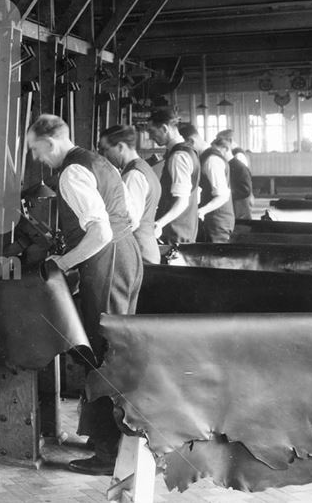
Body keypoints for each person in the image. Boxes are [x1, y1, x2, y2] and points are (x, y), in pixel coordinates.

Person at [27, 114, 143, 476]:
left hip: (107, 259)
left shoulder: (72, 173)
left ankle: (108, 452)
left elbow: (99, 233)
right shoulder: (99, 161)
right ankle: (106, 438)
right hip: (128, 256)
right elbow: (127, 219)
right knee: (115, 347)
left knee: (101, 350)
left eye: (35, 149)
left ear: (49, 142)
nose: (36, 158)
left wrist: (62, 263)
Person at [98, 124, 163, 265]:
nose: (103, 155)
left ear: (121, 147)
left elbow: (129, 222)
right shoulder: (144, 168)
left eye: (105, 149)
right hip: (145, 248)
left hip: (138, 253)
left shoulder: (133, 175)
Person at [147, 109, 200, 246]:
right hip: (184, 229)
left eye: (152, 132)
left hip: (174, 233)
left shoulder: (178, 156)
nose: (151, 137)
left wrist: (159, 224)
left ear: (164, 128)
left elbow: (182, 201)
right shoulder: (188, 150)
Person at [229, 146, 254, 220]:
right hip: (242, 194)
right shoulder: (239, 155)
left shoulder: (239, 156)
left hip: (241, 199)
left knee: (242, 218)